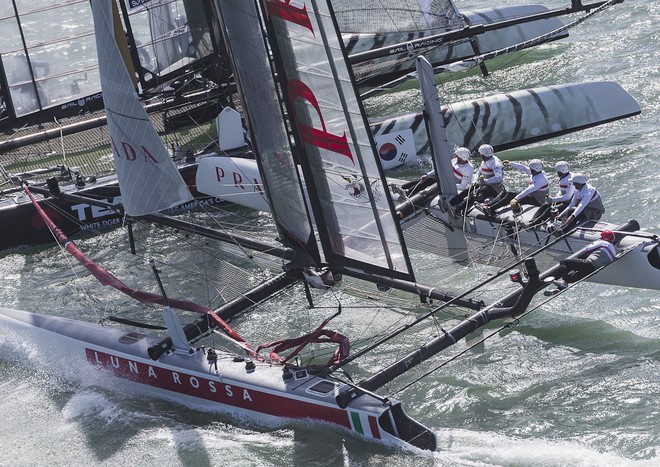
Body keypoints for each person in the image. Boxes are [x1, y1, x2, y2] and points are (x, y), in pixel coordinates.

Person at [449, 143, 503, 217]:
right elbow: (479, 172)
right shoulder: (484, 161)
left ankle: (458, 209)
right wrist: (475, 180)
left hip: (494, 188)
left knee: (475, 195)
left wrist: (486, 181)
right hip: (484, 183)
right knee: (468, 190)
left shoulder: (496, 163)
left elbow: (499, 178)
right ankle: (451, 203)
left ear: (482, 154)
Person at [484, 159, 549, 215]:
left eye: (530, 169)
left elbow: (529, 190)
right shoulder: (536, 172)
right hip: (532, 196)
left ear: (533, 169)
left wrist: (516, 199)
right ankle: (489, 205)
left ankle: (491, 209)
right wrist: (511, 164)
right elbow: (523, 168)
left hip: (537, 201)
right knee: (505, 193)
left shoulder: (542, 180)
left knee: (510, 195)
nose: (529, 169)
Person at [401, 146, 473, 196]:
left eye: (457, 156)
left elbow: (462, 186)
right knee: (425, 178)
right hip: (444, 178)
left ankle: (408, 192)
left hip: (449, 185)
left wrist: (445, 184)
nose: (455, 156)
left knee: (428, 181)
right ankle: (402, 188)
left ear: (461, 158)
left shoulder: (468, 169)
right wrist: (427, 174)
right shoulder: (454, 161)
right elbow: (441, 168)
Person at [528, 160, 575, 227]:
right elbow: (561, 191)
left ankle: (533, 224)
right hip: (564, 201)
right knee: (545, 205)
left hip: (570, 203)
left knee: (550, 209)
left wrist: (553, 200)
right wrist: (554, 199)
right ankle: (532, 220)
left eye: (558, 172)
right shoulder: (564, 177)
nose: (557, 173)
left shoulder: (570, 180)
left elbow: (568, 196)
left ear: (561, 172)